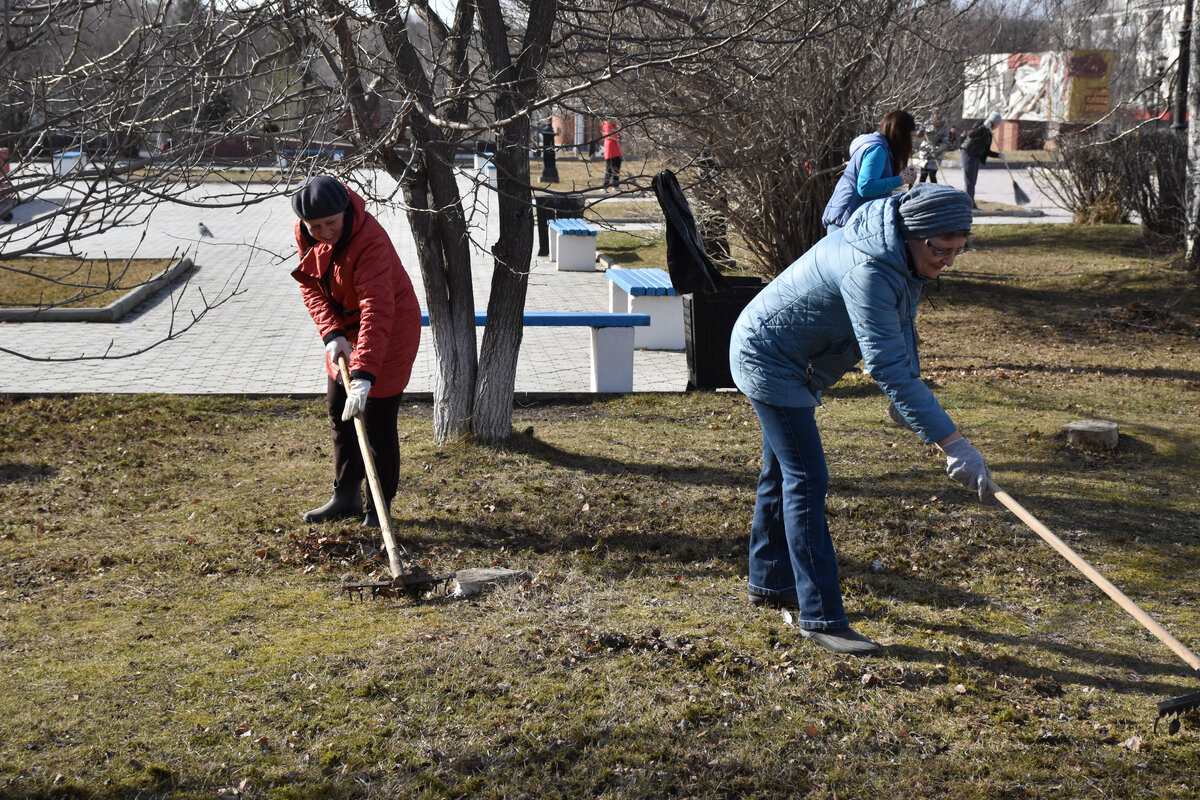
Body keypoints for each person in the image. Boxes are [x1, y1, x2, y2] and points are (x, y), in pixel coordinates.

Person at [729, 183, 991, 655]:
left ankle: (768, 580)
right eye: (941, 250)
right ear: (913, 233)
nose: (948, 261)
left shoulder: (899, 252)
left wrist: (909, 390)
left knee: (782, 470)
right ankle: (821, 616)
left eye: (960, 250)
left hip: (793, 357)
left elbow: (901, 320)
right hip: (768, 358)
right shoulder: (870, 266)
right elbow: (885, 364)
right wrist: (954, 443)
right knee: (806, 479)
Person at [290, 176, 421, 528]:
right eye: (314, 226)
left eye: (331, 222)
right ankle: (345, 495)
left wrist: (363, 376)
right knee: (340, 411)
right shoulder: (305, 234)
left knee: (376, 422)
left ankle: (378, 508)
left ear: (345, 211)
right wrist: (331, 333)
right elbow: (311, 287)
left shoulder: (370, 241)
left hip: (389, 334)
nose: (324, 231)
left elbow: (377, 310)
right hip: (345, 334)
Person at [822, 109, 920, 230]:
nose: (912, 142)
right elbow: (865, 187)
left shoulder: (881, 148)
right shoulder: (877, 150)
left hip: (849, 218)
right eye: (911, 136)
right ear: (901, 134)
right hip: (846, 221)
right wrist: (900, 179)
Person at [960, 110, 1003, 207]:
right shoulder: (981, 125)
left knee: (973, 181)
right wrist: (983, 127)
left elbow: (986, 151)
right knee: (969, 181)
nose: (998, 126)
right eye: (998, 123)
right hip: (968, 154)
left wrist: (998, 155)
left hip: (976, 157)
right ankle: (968, 204)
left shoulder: (989, 134)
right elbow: (971, 134)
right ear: (993, 121)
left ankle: (971, 203)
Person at [916, 108, 952, 183]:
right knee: (923, 174)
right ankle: (920, 191)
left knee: (932, 174)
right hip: (925, 150)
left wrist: (937, 149)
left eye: (939, 115)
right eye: (935, 114)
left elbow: (945, 142)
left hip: (936, 152)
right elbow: (919, 135)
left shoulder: (944, 127)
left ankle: (935, 192)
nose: (937, 117)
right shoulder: (927, 123)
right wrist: (920, 130)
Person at [601, 120, 622, 190]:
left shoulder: (615, 125)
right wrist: (617, 133)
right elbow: (610, 135)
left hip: (617, 150)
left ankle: (615, 185)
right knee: (609, 168)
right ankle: (605, 185)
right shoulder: (607, 124)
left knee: (617, 169)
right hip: (610, 151)